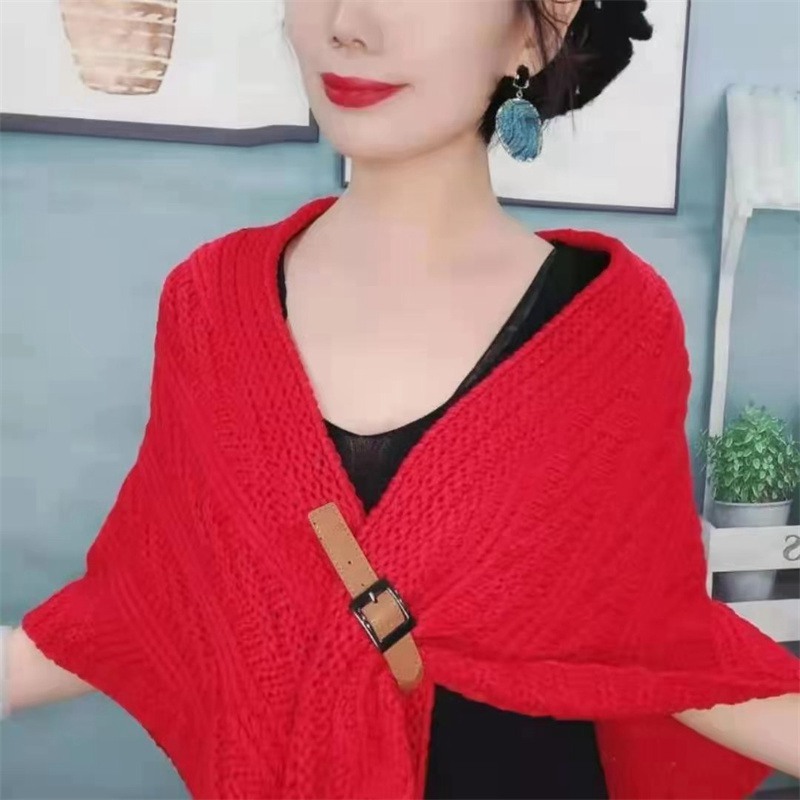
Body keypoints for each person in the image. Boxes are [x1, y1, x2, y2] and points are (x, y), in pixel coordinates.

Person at [2, 1, 799, 798]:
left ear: (537, 26)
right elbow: (147, 598)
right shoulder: (209, 304)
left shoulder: (612, 327)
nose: (349, 24)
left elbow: (655, 645)